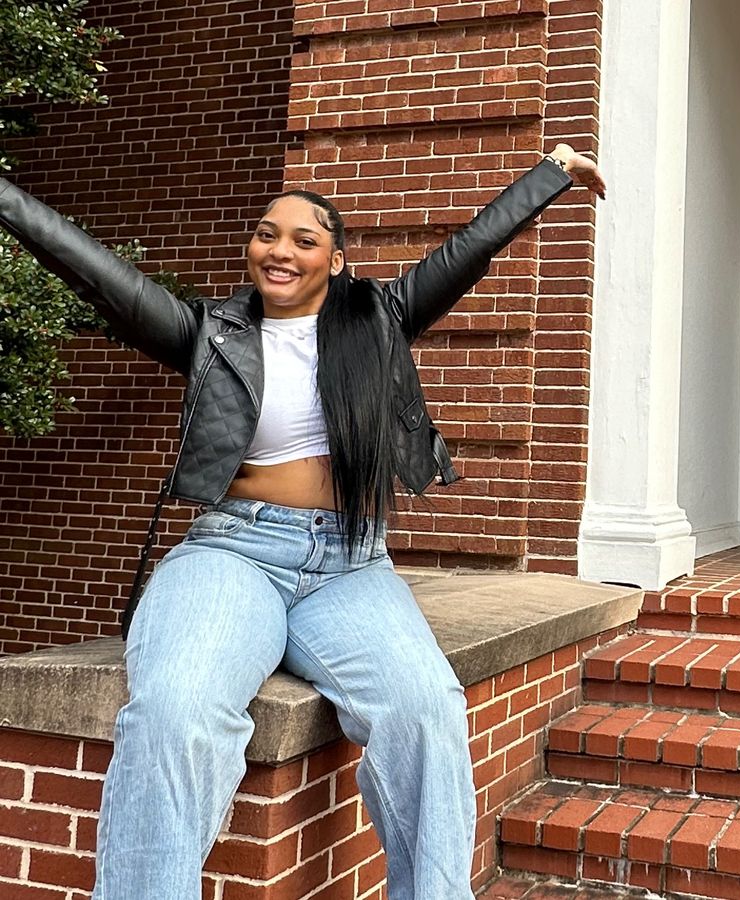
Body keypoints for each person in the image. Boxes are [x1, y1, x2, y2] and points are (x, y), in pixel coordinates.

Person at [0, 142, 606, 899]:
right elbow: (96, 271)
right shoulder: (209, 332)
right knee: (176, 712)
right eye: (266, 234)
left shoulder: (380, 319)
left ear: (337, 261)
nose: (278, 250)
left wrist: (552, 175)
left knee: (426, 711)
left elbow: (467, 250)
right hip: (233, 555)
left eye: (303, 238)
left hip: (350, 569)